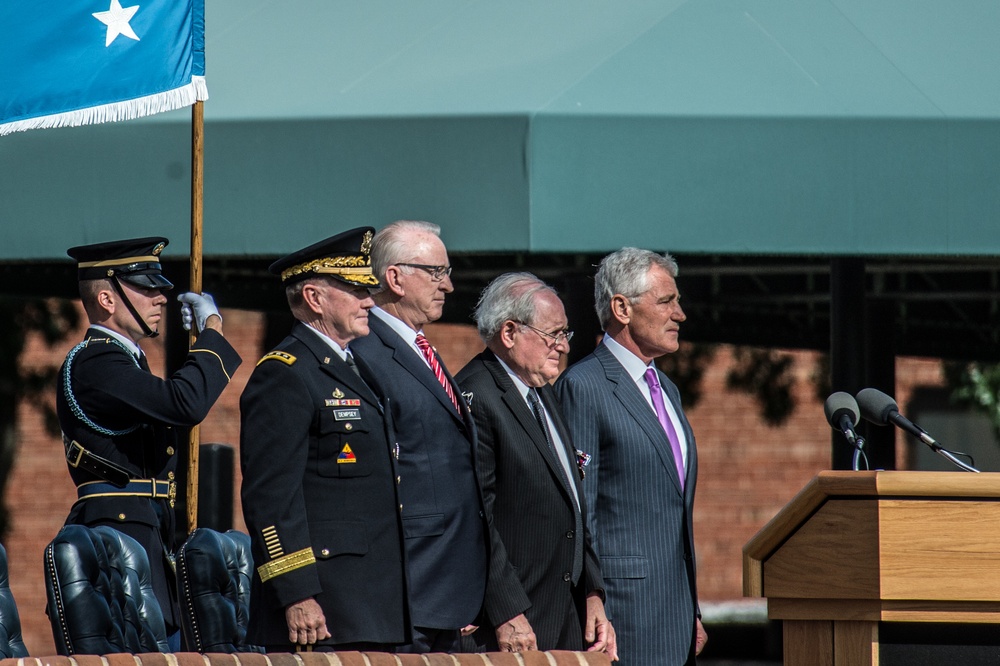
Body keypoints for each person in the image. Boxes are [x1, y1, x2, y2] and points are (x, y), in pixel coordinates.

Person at [57, 236, 242, 644]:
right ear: (107, 299)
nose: (161, 297)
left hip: (147, 532)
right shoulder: (97, 361)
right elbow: (184, 403)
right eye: (146, 287)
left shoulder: (125, 361)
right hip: (118, 537)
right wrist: (212, 333)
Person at [239, 227, 409, 652]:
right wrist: (296, 591)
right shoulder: (285, 373)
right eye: (355, 289)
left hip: (371, 602)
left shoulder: (354, 368)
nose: (369, 300)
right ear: (315, 298)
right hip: (323, 610)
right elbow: (272, 497)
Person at [555, 247, 708, 665]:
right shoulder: (584, 386)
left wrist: (688, 607)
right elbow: (580, 511)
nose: (680, 314)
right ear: (621, 307)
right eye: (666, 301)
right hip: (621, 616)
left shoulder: (667, 389)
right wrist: (593, 597)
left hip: (674, 613)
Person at [455, 273, 617, 659]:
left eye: (566, 335)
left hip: (565, 615)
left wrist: (592, 592)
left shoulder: (541, 392)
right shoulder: (477, 397)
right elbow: (477, 520)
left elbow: (573, 504)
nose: (562, 347)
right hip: (513, 622)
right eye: (553, 335)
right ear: (509, 332)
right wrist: (507, 609)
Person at [351, 220, 488, 653]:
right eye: (436, 272)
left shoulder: (419, 347)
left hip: (449, 588)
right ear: (394, 277)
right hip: (411, 587)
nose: (448, 285)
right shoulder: (366, 349)